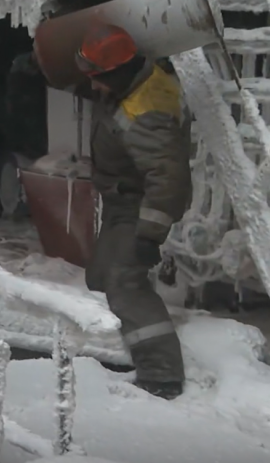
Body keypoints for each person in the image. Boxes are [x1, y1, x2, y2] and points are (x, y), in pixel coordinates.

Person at [76, 23, 191, 400]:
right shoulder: (127, 85)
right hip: (121, 200)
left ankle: (162, 375)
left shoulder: (148, 112)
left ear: (116, 73)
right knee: (99, 277)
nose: (93, 86)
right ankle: (114, 352)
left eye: (97, 78)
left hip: (139, 207)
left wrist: (149, 235)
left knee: (125, 283)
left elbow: (168, 179)